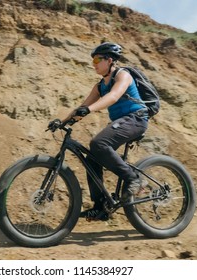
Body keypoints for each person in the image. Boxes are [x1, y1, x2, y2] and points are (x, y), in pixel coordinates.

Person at [49, 42, 149, 221]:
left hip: (137, 118)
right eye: (92, 60)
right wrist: (62, 122)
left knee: (98, 143)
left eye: (96, 59)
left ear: (109, 60)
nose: (93, 63)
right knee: (92, 158)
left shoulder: (123, 75)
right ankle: (101, 205)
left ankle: (134, 179)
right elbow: (83, 107)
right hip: (121, 122)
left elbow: (114, 96)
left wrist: (89, 110)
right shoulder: (99, 86)